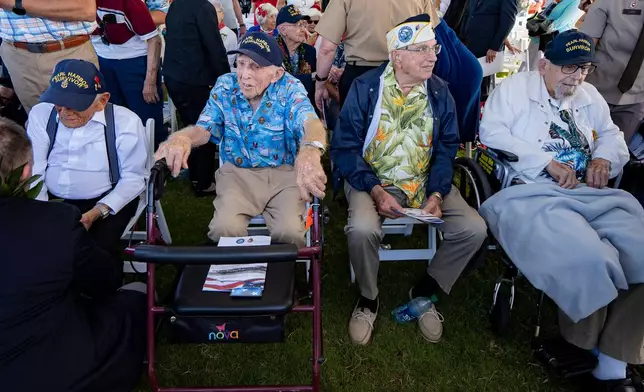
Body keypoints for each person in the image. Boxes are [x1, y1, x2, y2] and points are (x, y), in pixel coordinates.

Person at [478, 31, 644, 391]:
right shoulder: (515, 91)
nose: (577, 77)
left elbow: (612, 135)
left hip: (591, 194)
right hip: (534, 193)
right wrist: (545, 163)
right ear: (543, 65)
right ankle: (584, 344)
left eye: (584, 68)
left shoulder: (589, 95)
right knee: (589, 256)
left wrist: (603, 156)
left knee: (642, 250)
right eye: (568, 68)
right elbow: (491, 133)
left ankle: (615, 359)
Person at [331, 16, 488, 345]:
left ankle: (425, 291)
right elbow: (344, 148)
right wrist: (374, 190)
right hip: (372, 179)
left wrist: (437, 193)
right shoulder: (366, 88)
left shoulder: (440, 91)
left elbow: (447, 148)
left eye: (434, 49)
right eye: (422, 50)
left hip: (424, 179)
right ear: (397, 56)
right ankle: (368, 299)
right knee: (362, 229)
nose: (433, 57)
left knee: (473, 229)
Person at [0, 117, 147, 392]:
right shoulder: (55, 224)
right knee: (135, 299)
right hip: (54, 372)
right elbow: (105, 281)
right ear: (25, 172)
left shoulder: (124, 122)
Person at [154, 32, 327, 247]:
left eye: (255, 66)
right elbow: (204, 129)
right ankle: (235, 278)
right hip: (237, 174)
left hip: (284, 175)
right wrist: (181, 138)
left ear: (276, 73)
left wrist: (310, 149)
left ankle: (280, 276)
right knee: (224, 230)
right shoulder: (225, 86)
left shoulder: (290, 88)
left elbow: (310, 123)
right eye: (241, 64)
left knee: (290, 234)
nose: (244, 74)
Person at [27, 59, 148, 274]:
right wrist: (43, 211)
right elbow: (36, 169)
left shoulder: (125, 122)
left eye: (74, 105)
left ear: (102, 101)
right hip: (51, 199)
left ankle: (102, 297)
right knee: (35, 245)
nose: (64, 112)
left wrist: (96, 212)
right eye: (58, 103)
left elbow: (133, 177)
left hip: (104, 200)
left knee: (95, 253)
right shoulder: (41, 114)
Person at [163, 0, 231, 196]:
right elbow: (215, 47)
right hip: (194, 78)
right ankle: (203, 182)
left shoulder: (177, 4)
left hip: (175, 76)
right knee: (204, 128)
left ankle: (193, 172)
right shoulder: (202, 7)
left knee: (189, 124)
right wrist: (226, 80)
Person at [314, 0, 435, 108]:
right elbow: (431, 37)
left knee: (354, 131)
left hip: (359, 75)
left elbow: (327, 49)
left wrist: (320, 83)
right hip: (406, 74)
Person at [0, 0, 99, 113]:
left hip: (68, 52)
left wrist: (12, 3)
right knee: (39, 123)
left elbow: (84, 10)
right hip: (16, 55)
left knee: (83, 122)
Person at [92, 0, 166, 148]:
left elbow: (154, 39)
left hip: (135, 62)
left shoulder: (129, 2)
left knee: (145, 118)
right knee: (115, 116)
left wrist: (150, 81)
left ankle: (157, 162)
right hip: (103, 61)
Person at [580, 0, 644, 147]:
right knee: (581, 149)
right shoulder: (608, 3)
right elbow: (584, 48)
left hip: (636, 101)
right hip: (596, 92)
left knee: (614, 155)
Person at [459, 0, 519, 101]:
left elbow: (508, 20)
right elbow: (469, 13)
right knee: (468, 83)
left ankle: (480, 112)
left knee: (481, 86)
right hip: (468, 43)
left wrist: (495, 47)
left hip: (487, 48)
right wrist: (462, 37)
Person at [276, 5, 316, 103]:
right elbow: (279, 83)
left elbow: (315, 88)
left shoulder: (310, 51)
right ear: (283, 30)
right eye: (298, 25)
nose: (303, 29)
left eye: (303, 24)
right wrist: (312, 76)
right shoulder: (272, 51)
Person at [213, 0, 239, 70]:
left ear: (222, 14)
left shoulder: (230, 34)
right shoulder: (203, 31)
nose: (212, 15)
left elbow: (229, 60)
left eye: (215, 12)